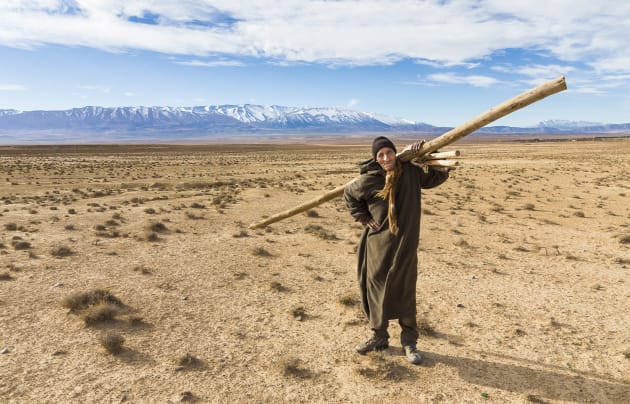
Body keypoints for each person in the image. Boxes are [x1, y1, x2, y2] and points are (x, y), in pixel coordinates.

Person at [344, 136, 449, 364]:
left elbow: (435, 178)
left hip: (405, 245)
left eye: (389, 153)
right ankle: (379, 336)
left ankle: (409, 342)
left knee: (405, 290)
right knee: (375, 289)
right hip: (377, 245)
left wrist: (424, 156)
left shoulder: (411, 173)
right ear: (375, 158)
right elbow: (349, 195)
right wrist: (362, 216)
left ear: (395, 153)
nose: (385, 158)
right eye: (380, 155)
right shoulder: (369, 180)